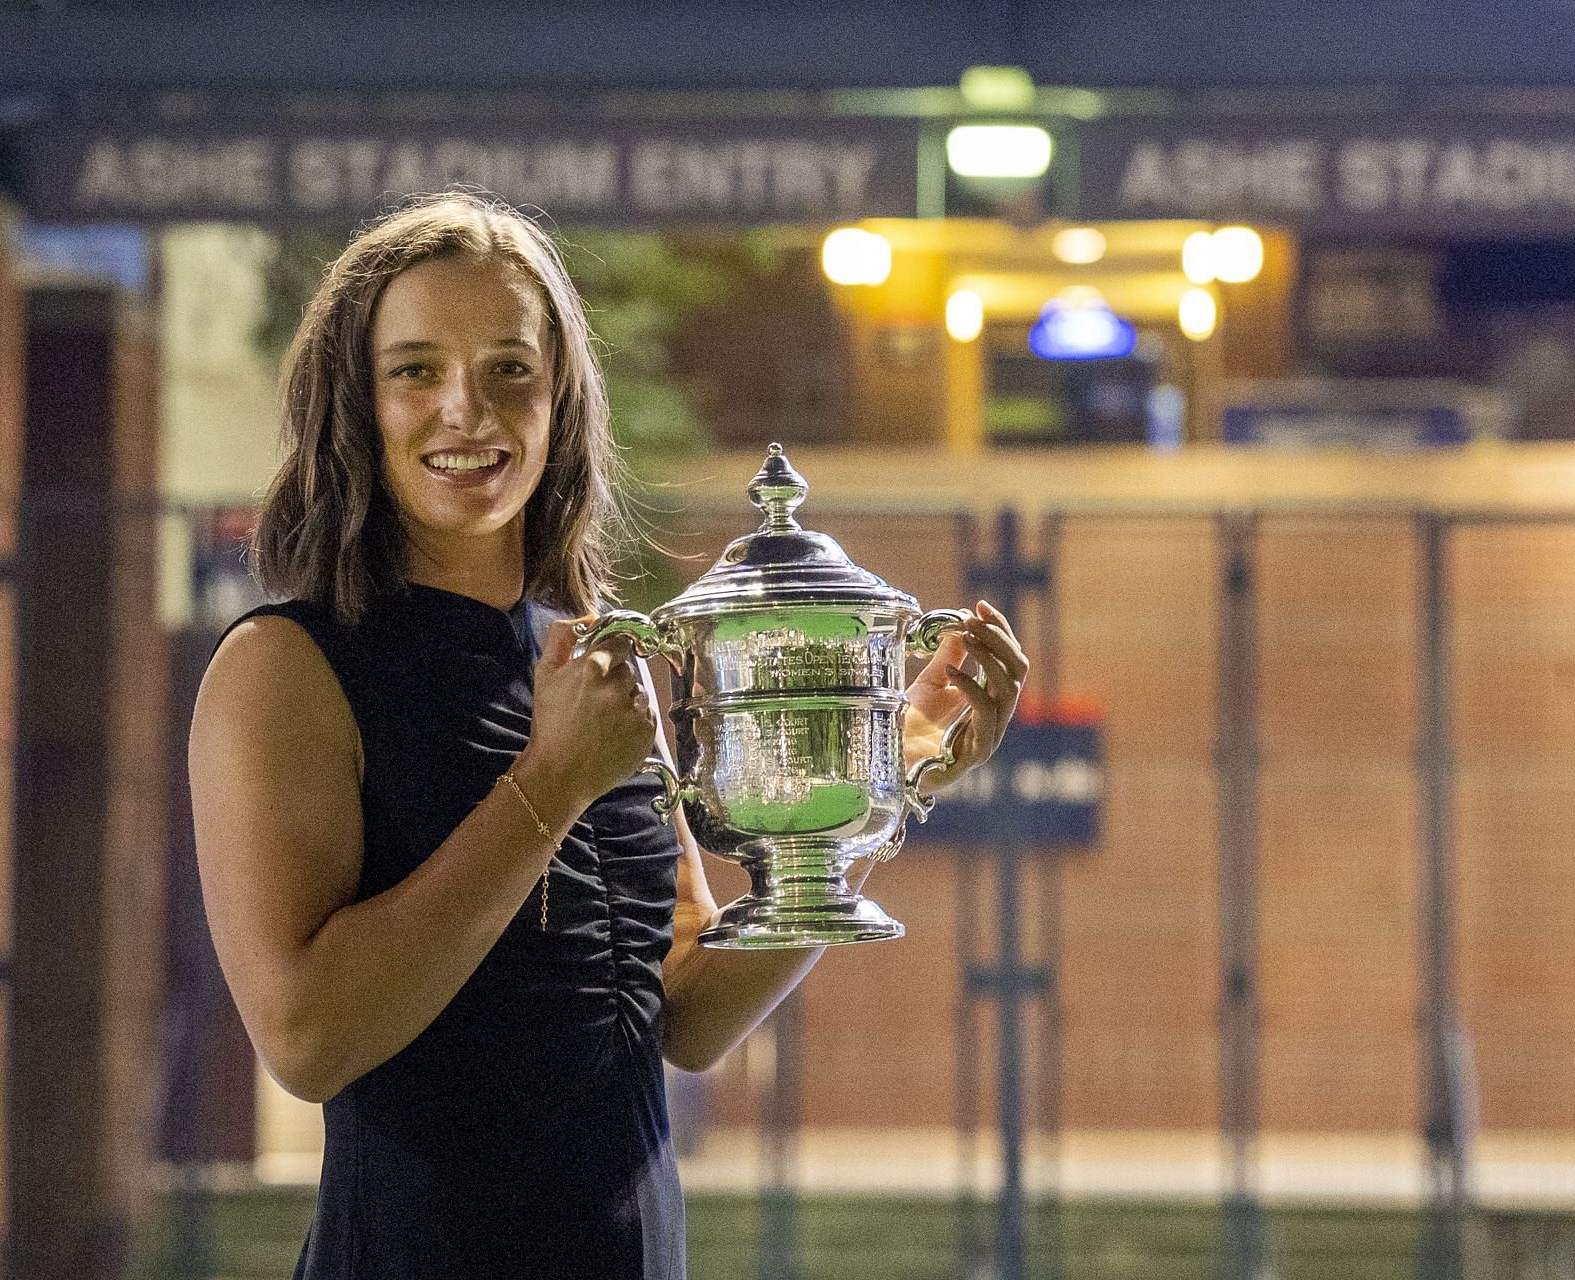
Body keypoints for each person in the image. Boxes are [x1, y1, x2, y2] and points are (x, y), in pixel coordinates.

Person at [187, 191, 1029, 1279]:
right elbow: (306, 1036)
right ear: (355, 402)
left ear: (560, 400)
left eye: (509, 369)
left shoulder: (595, 664)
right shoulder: (286, 668)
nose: (467, 410)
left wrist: (879, 775)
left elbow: (684, 1012)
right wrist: (546, 786)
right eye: (415, 370)